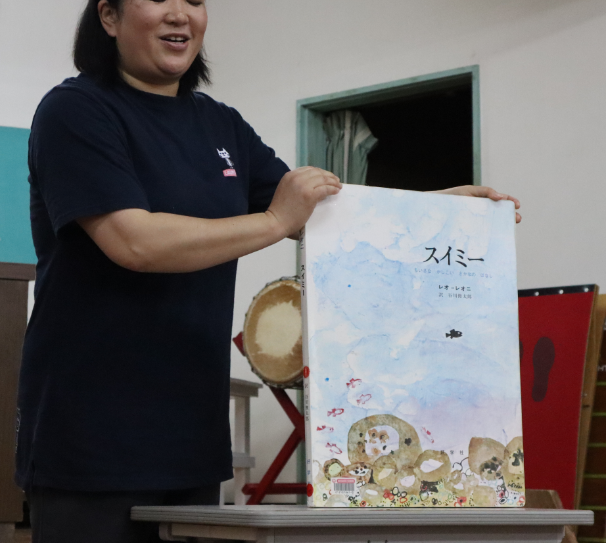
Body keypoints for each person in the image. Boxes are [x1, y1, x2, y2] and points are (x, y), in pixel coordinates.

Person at [16, 1, 522, 541]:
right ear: (109, 17)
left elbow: (324, 215)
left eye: (194, 0)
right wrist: (275, 220)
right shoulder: (75, 110)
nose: (180, 14)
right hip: (90, 434)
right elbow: (133, 242)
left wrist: (437, 208)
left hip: (190, 434)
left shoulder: (221, 123)